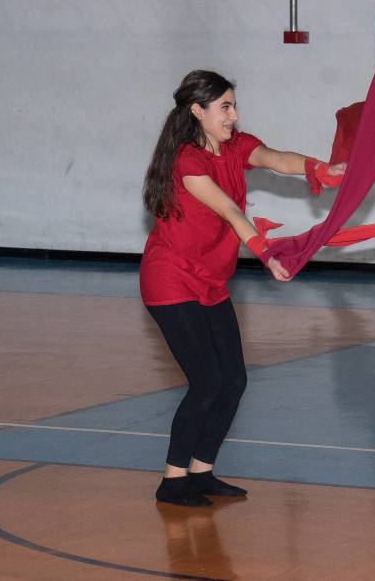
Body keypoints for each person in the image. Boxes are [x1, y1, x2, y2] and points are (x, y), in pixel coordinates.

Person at [140, 70, 345, 506]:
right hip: (171, 278)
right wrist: (266, 253)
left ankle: (202, 471)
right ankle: (173, 481)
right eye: (225, 107)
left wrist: (322, 169)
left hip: (211, 280)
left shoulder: (235, 146)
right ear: (198, 111)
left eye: (234, 105)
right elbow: (231, 211)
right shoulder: (186, 161)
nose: (234, 115)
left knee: (233, 380)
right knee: (207, 381)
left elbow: (277, 159)